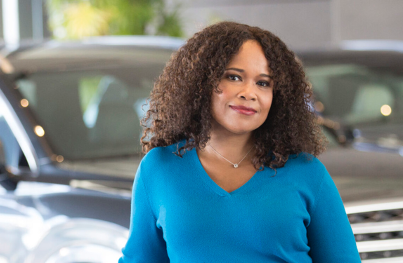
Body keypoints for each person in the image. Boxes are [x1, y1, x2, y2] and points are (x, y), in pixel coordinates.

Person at [119, 21, 360, 262]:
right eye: (233, 77)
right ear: (202, 83)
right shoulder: (159, 169)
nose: (249, 93)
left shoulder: (307, 172)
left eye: (263, 83)